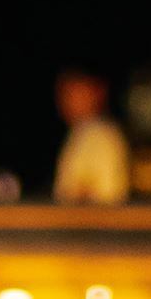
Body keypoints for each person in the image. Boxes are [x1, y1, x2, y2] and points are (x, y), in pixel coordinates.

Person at [50, 71, 133, 206]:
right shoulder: (79, 132)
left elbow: (99, 195)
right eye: (63, 94)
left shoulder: (101, 135)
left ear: (96, 94)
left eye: (74, 93)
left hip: (92, 218)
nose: (66, 101)